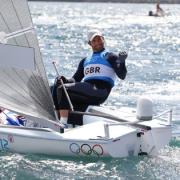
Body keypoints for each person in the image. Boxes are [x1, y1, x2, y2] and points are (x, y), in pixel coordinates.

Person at [52, 29, 127, 127]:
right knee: (57, 84)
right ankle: (55, 118)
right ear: (90, 44)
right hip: (88, 89)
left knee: (63, 89)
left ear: (103, 39)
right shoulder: (85, 60)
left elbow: (122, 75)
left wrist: (121, 61)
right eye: (94, 41)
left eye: (99, 39)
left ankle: (62, 123)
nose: (98, 42)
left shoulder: (110, 56)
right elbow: (76, 79)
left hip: (100, 91)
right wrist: (65, 80)